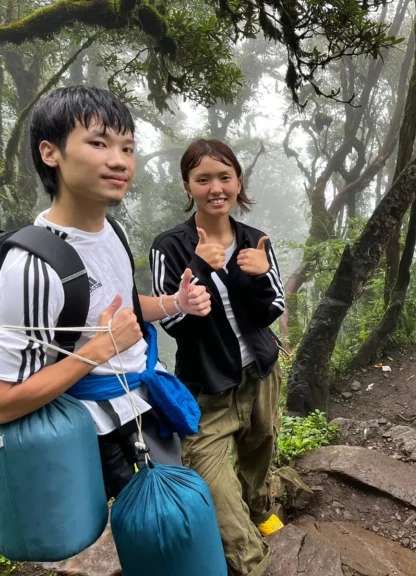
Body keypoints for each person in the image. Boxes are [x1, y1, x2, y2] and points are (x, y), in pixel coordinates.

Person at [0, 86, 212, 498]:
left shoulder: (112, 230)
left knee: (173, 532)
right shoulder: (31, 267)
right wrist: (98, 351)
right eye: (98, 143)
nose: (119, 161)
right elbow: (4, 402)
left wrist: (174, 303)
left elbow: (124, 311)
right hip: (95, 435)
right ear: (51, 153)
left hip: (145, 406)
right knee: (149, 538)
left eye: (127, 148)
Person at [150, 139, 285, 576]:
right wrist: (201, 268)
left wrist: (259, 277)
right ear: (188, 185)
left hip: (260, 374)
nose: (215, 187)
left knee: (260, 447)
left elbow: (272, 310)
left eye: (224, 176)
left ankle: (260, 504)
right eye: (202, 178)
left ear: (238, 182)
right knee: (214, 482)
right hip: (207, 387)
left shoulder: (254, 240)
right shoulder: (170, 246)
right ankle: (252, 564)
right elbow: (172, 324)